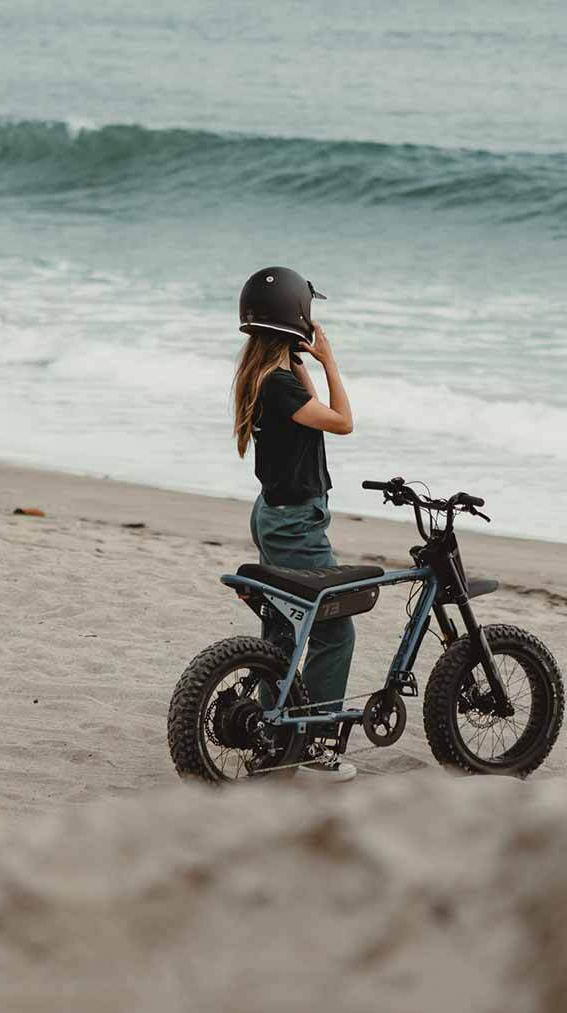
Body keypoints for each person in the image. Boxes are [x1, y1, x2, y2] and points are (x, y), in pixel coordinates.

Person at [232, 266, 358, 782]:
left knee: (284, 628)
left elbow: (314, 410)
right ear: (298, 319)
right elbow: (343, 420)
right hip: (297, 527)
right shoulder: (281, 387)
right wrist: (329, 361)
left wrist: (301, 358)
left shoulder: (267, 379)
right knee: (334, 632)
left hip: (274, 515)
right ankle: (315, 748)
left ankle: (275, 736)